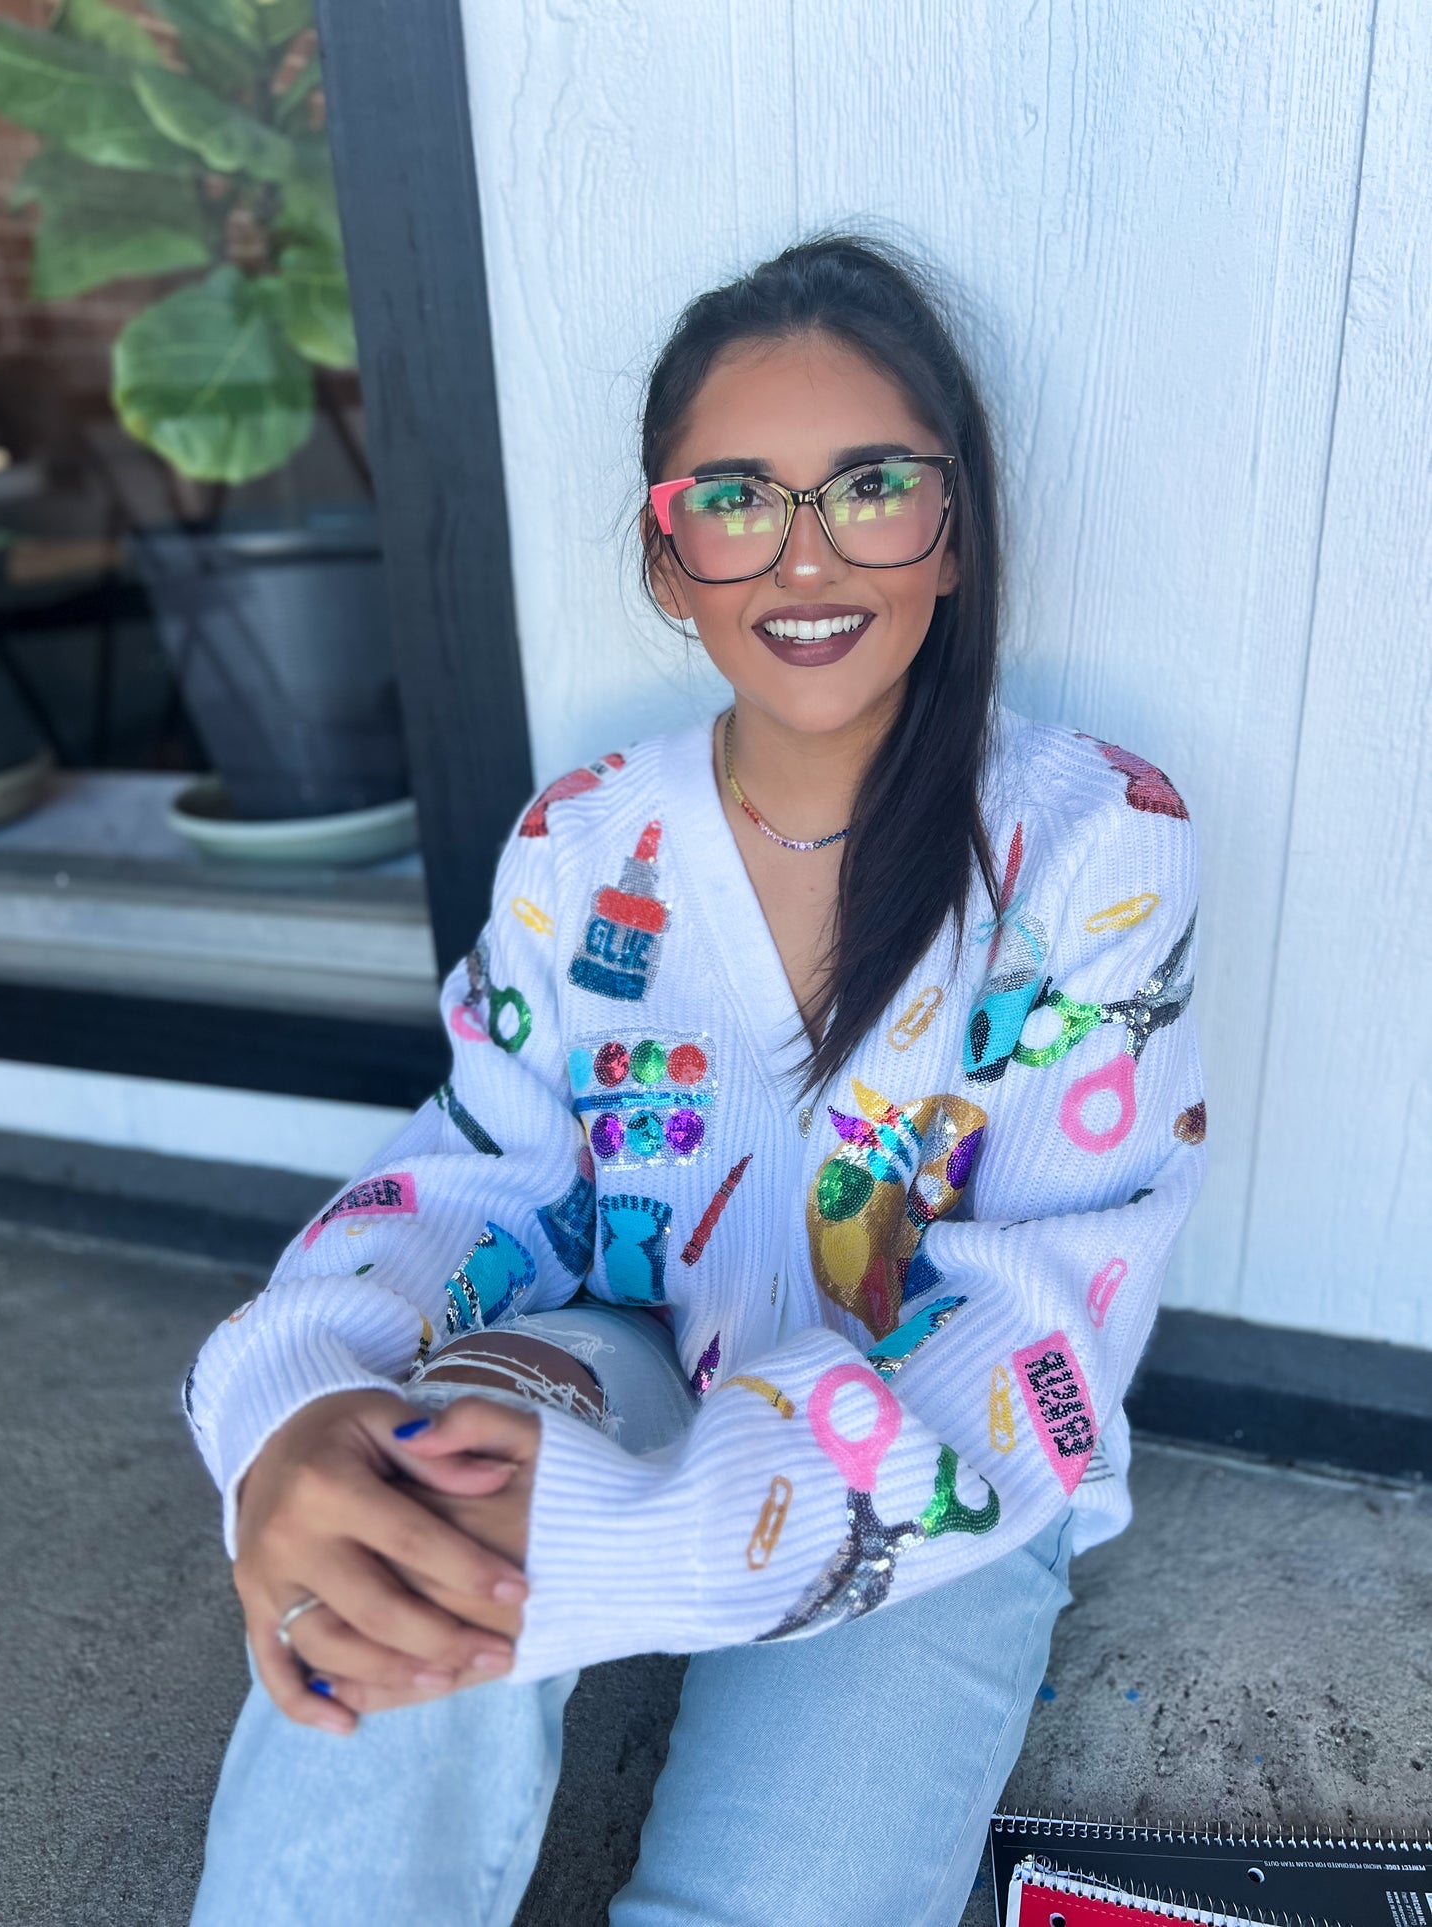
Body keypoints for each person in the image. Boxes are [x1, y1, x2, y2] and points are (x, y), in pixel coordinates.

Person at [186, 235, 1205, 1925]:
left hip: (928, 1465)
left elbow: (1030, 1331)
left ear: (953, 533)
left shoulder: (1096, 841)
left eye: (869, 487)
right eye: (735, 500)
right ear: (670, 559)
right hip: (613, 1355)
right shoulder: (582, 841)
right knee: (382, 1580)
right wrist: (291, 1403)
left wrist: (639, 1542)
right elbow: (476, 1176)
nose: (804, 554)